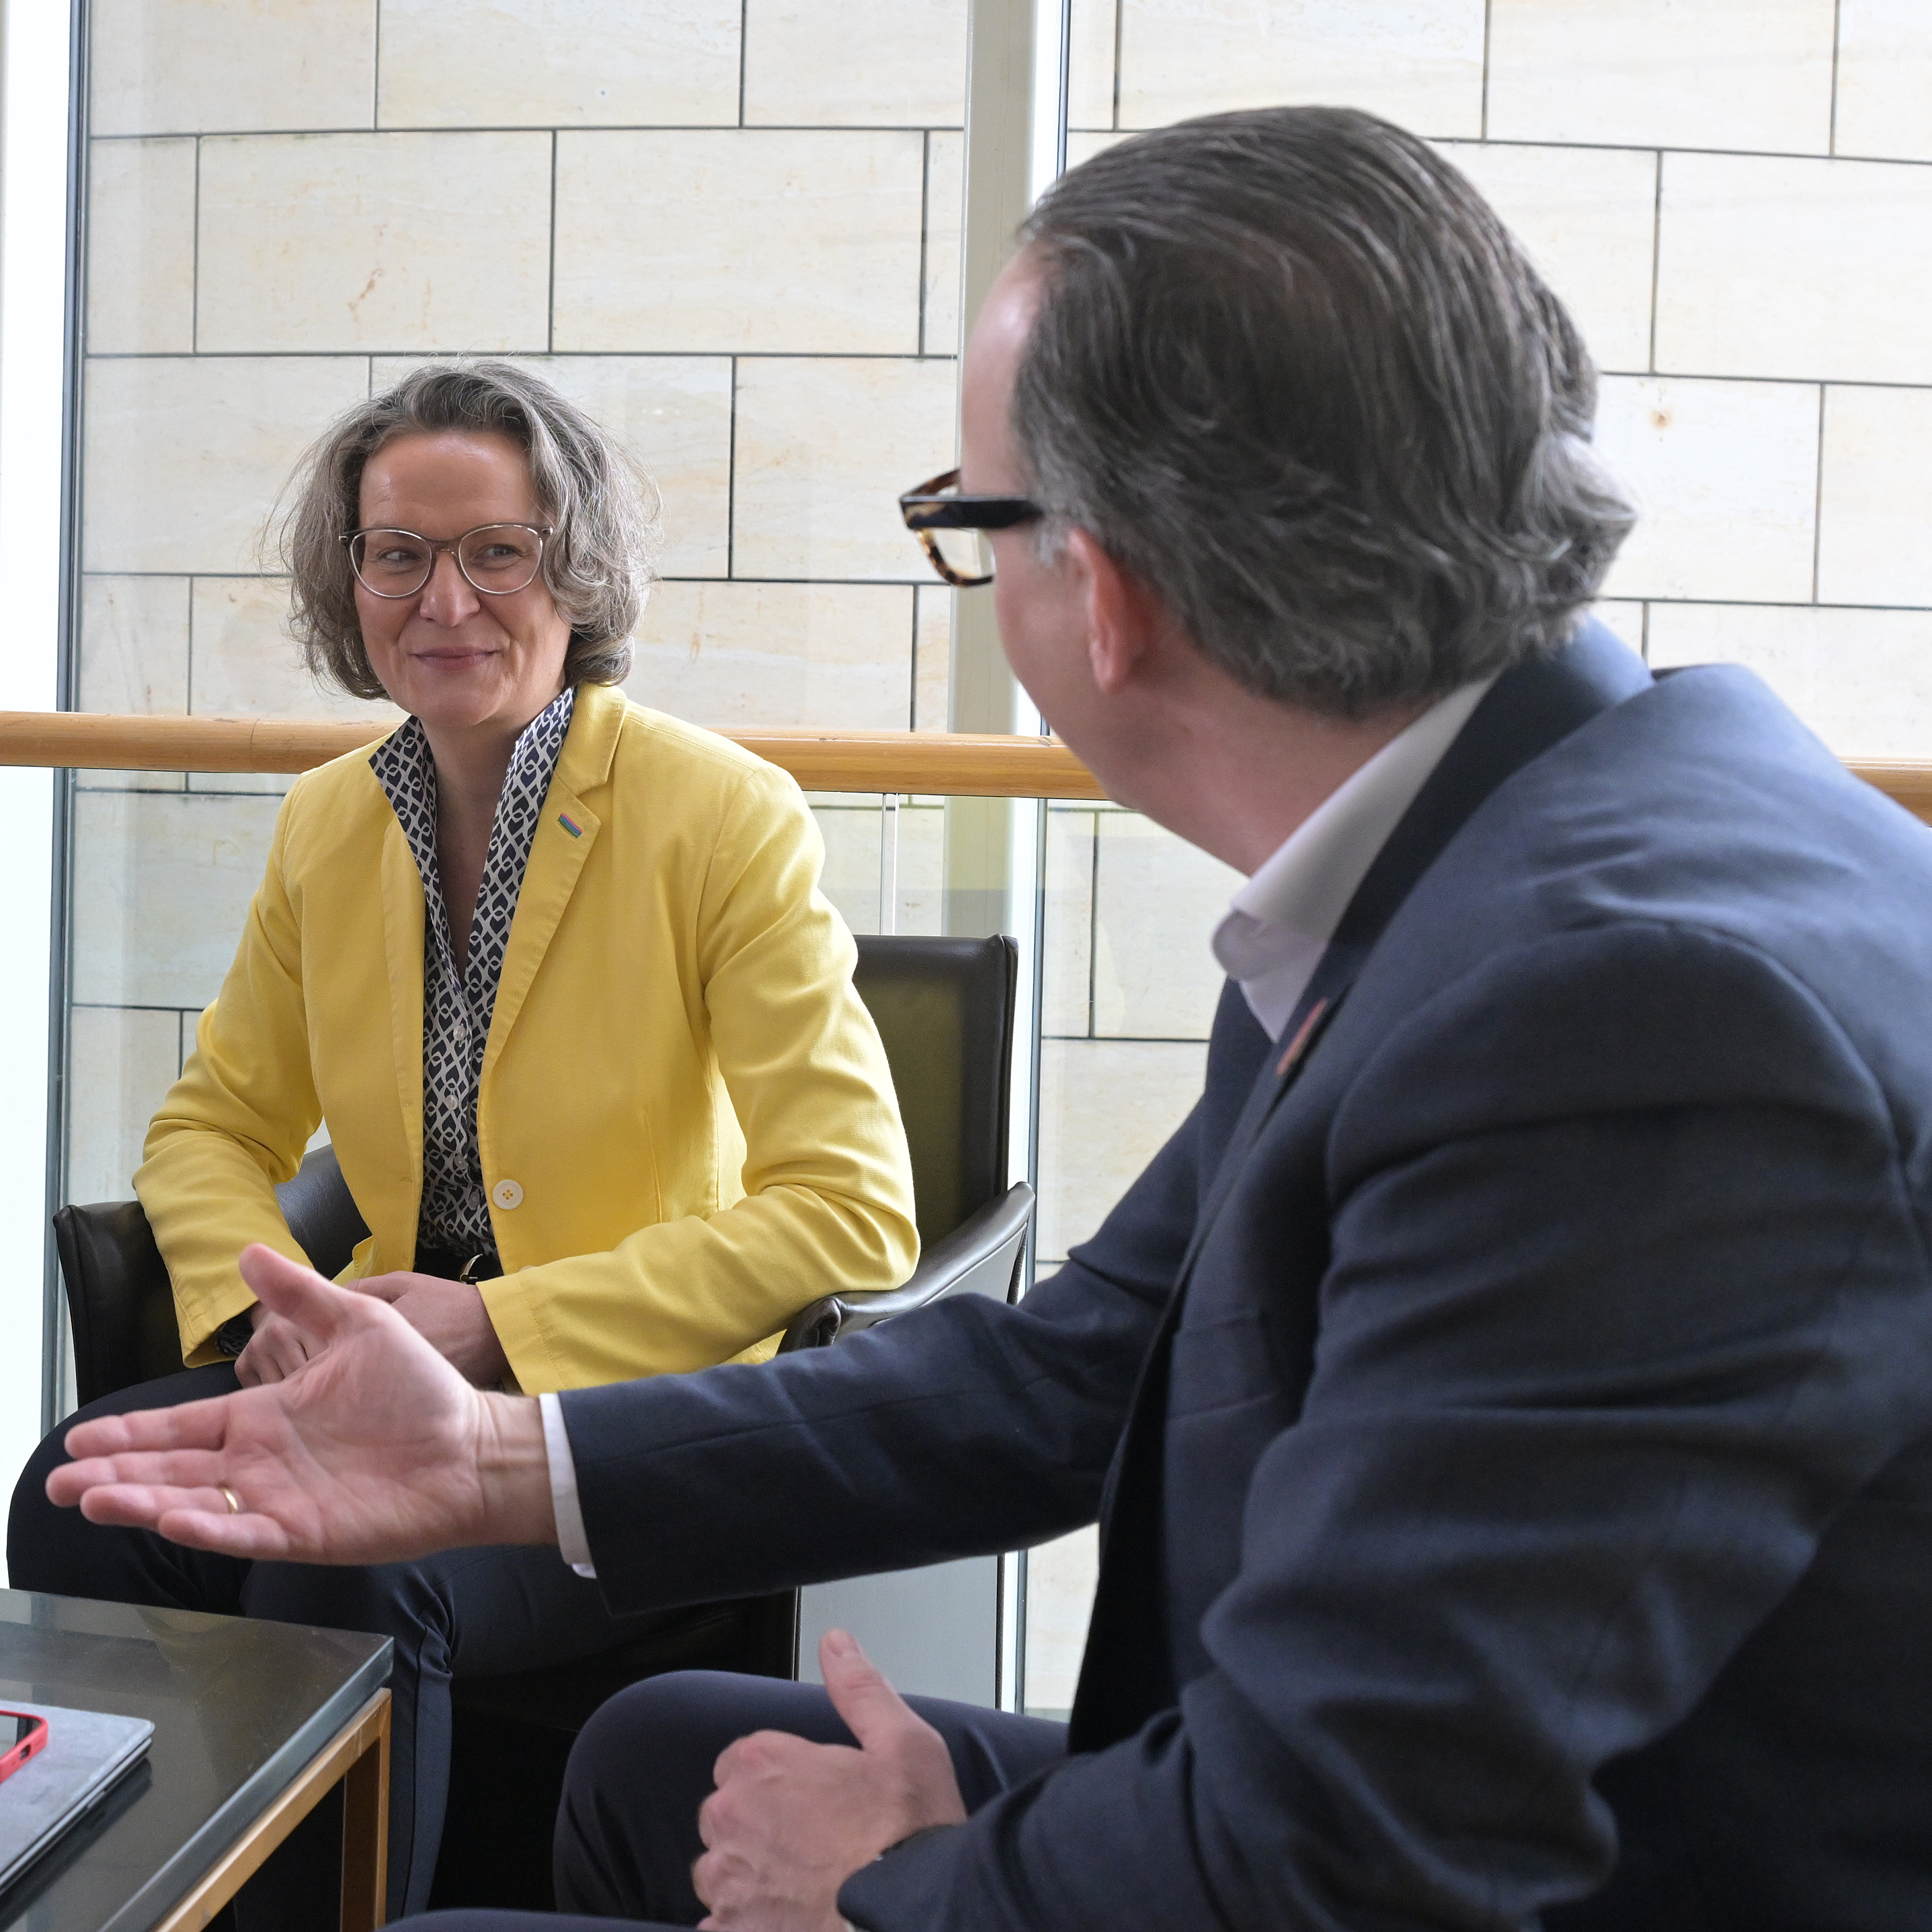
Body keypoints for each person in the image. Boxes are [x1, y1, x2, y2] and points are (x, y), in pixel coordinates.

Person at [48, 104, 1932, 1932]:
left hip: (1438, 1866)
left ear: (1097, 590)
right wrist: (491, 1462)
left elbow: (1336, 1852)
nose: (444, 597)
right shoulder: (1481, 860)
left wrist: (892, 1877)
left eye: (967, 519)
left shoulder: (1622, 1015)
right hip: (1349, 1810)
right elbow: (1074, 1372)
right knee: (655, 1759)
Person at [13, 360, 919, 1922]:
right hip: (367, 1370)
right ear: (347, 575)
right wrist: (264, 1319)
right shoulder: (329, 821)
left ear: (571, 571)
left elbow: (852, 1212)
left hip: (626, 1421)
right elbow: (215, 1122)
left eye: (495, 551)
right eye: (397, 553)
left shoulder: (725, 816)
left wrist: (497, 1323)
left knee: (348, 1560)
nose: (447, 598)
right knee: (70, 1491)